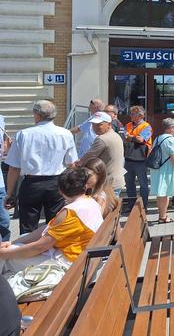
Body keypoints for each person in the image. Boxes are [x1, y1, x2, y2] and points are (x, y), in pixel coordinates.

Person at [0, 167, 103, 276]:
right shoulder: (90, 202)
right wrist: (12, 243)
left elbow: (39, 247)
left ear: (60, 191)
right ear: (85, 186)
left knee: (5, 259)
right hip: (79, 259)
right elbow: (47, 229)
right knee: (19, 241)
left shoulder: (70, 212)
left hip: (66, 266)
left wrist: (5, 253)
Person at [4, 100, 78, 234]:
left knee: (28, 225)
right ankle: (53, 252)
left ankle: (27, 252)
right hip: (56, 183)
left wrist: (10, 194)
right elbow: (71, 164)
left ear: (37, 115)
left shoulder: (23, 134)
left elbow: (14, 168)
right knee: (55, 225)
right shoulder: (65, 134)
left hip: (32, 183)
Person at [75, 111, 125, 198]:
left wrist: (76, 165)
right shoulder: (116, 135)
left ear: (109, 124)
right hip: (115, 181)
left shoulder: (102, 139)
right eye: (93, 125)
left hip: (107, 183)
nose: (95, 127)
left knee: (102, 210)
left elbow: (88, 157)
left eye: (99, 124)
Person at [150, 119, 174, 224]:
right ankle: (163, 217)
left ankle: (162, 215)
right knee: (165, 194)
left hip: (157, 169)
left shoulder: (158, 138)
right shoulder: (172, 140)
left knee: (160, 194)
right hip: (166, 171)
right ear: (171, 128)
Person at [123, 106, 152, 210]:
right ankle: (131, 206)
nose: (130, 115)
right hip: (128, 159)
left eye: (133, 114)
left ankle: (143, 207)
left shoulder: (146, 126)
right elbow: (125, 137)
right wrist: (134, 138)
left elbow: (141, 140)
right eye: (131, 113)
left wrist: (130, 137)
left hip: (141, 159)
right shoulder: (128, 125)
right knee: (129, 183)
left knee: (143, 184)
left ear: (141, 115)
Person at [0, 115, 10, 242]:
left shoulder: (1, 120)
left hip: (0, 185)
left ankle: (5, 251)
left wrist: (8, 147)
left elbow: (4, 151)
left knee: (4, 220)